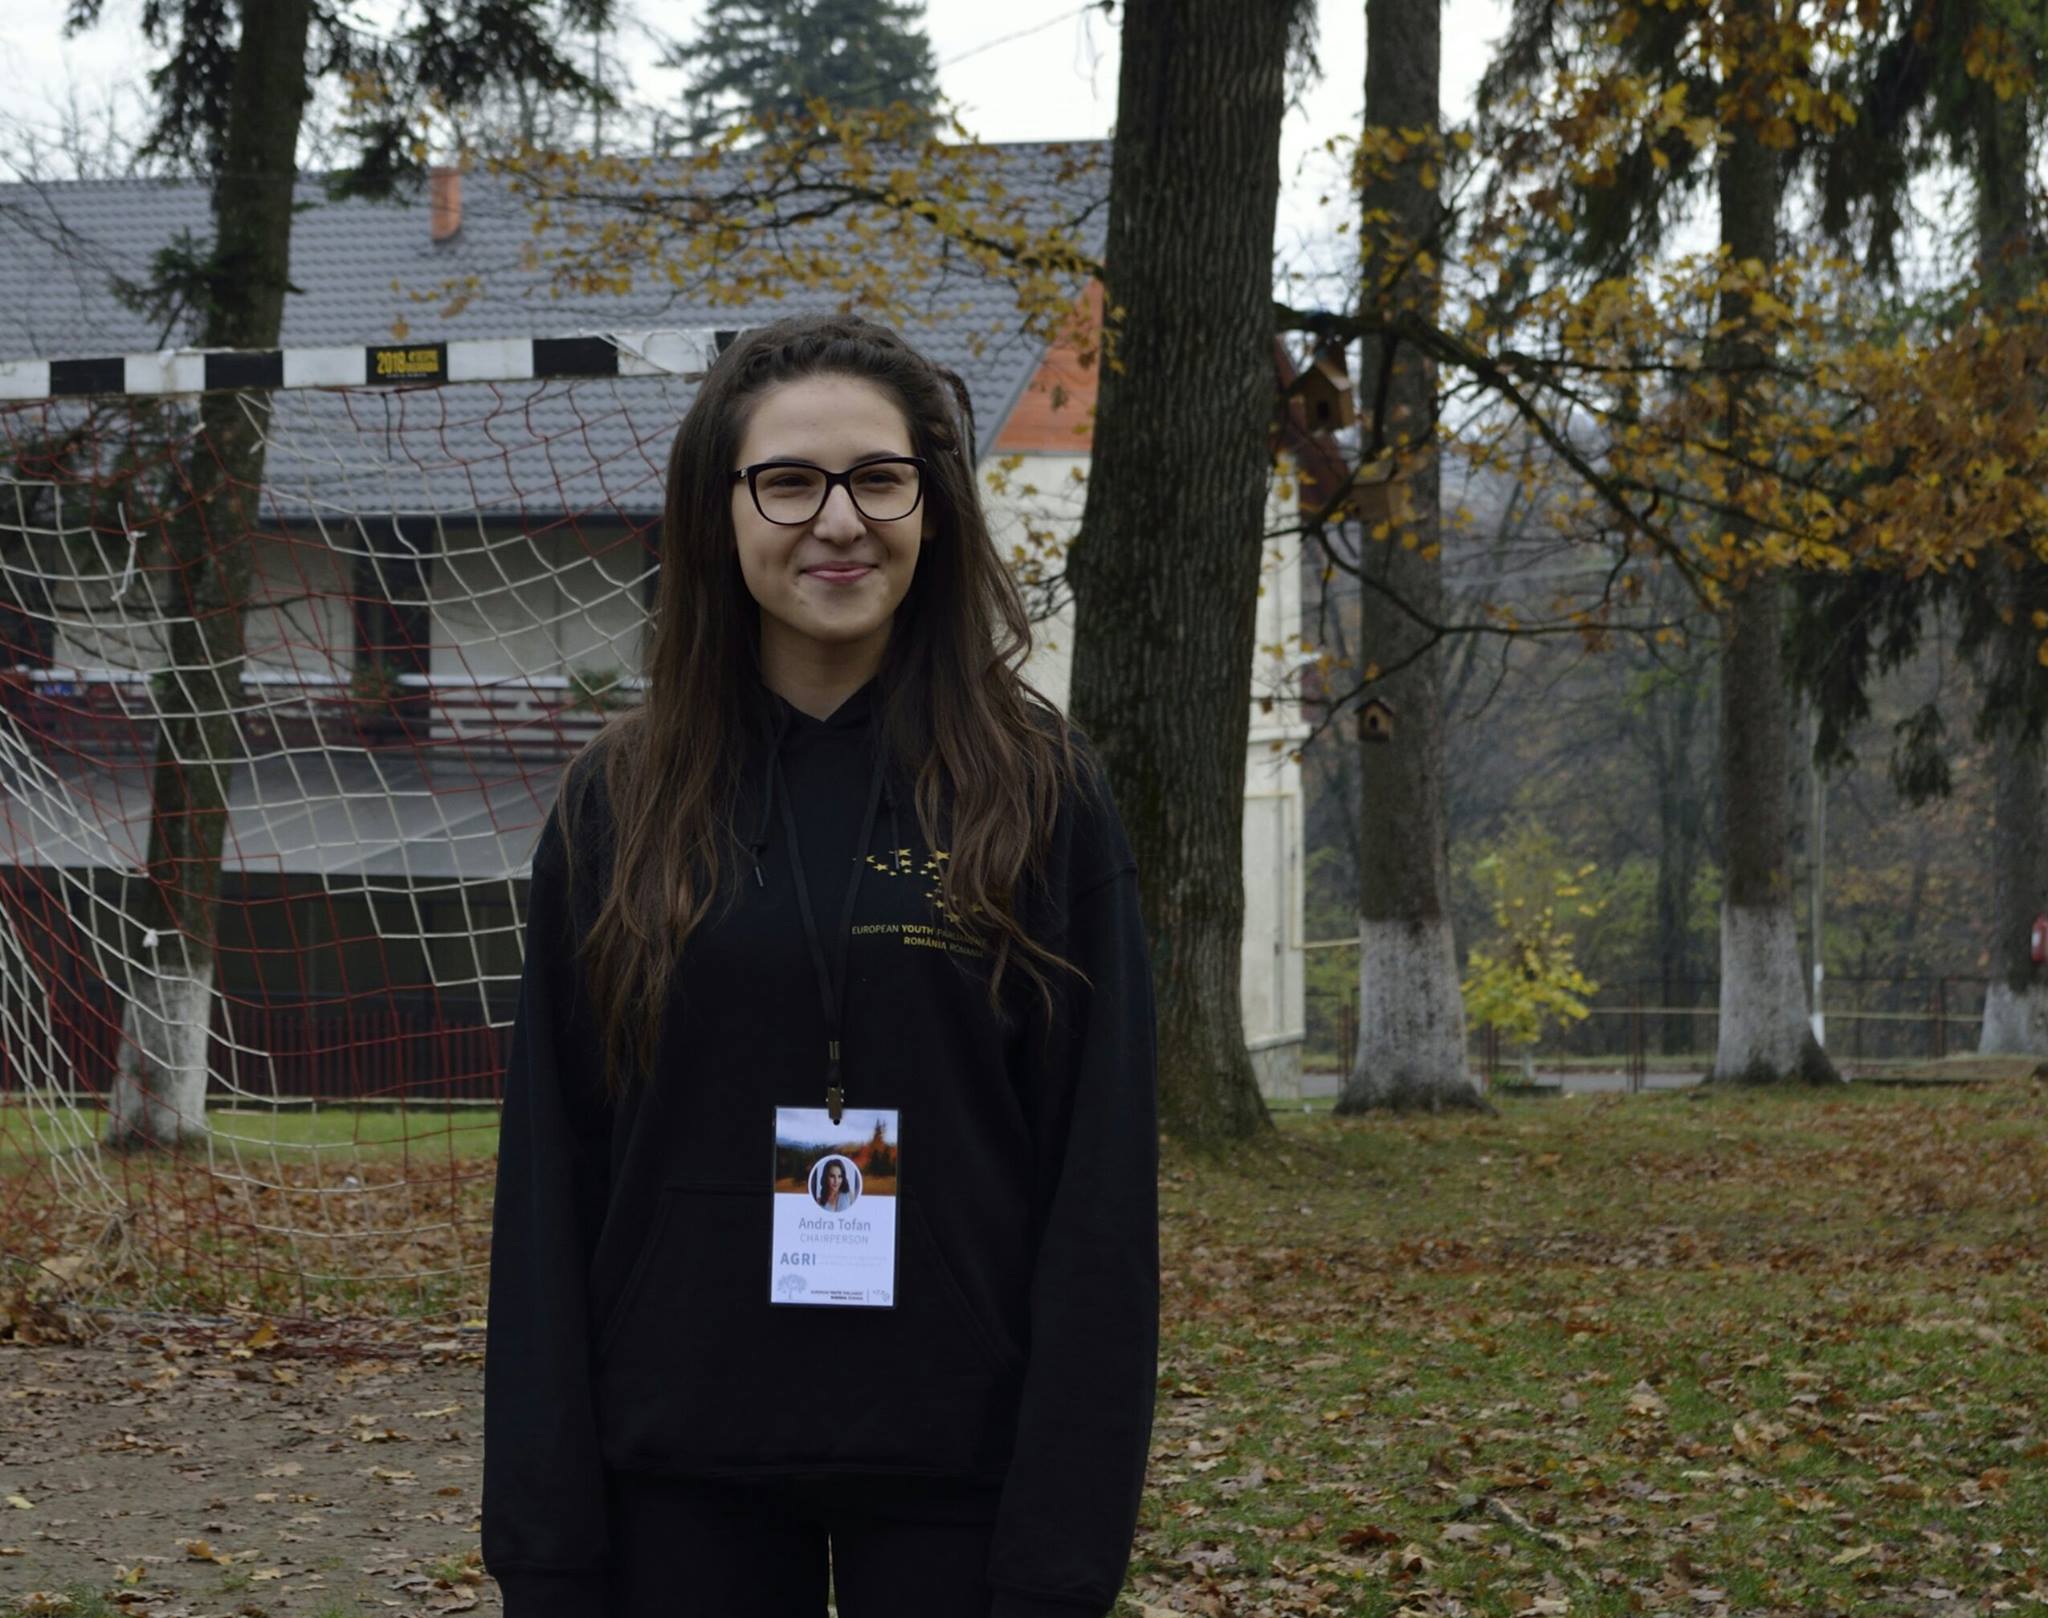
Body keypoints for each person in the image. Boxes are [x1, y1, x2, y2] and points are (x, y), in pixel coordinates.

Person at [482, 314, 1159, 1618]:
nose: (838, 521)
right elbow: (551, 1185)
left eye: (879, 478)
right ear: (719, 513)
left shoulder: (1039, 795)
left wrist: (1064, 1554)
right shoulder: (621, 802)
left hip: (961, 1471)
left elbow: (1101, 1197)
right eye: (788, 481)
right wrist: (547, 1547)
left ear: (933, 507)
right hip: (677, 1468)